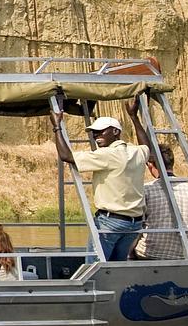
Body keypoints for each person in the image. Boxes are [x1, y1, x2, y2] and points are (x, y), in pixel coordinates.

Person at [51, 103, 151, 261]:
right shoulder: (136, 152)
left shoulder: (107, 154)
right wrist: (134, 117)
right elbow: (146, 146)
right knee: (117, 267)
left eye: (101, 131)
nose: (96, 136)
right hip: (134, 224)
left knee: (95, 266)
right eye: (95, 133)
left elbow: (66, 156)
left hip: (110, 222)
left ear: (116, 132)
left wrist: (57, 126)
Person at [136, 145, 188, 260]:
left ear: (150, 165)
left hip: (151, 254)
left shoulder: (146, 190)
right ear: (171, 163)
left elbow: (135, 225)